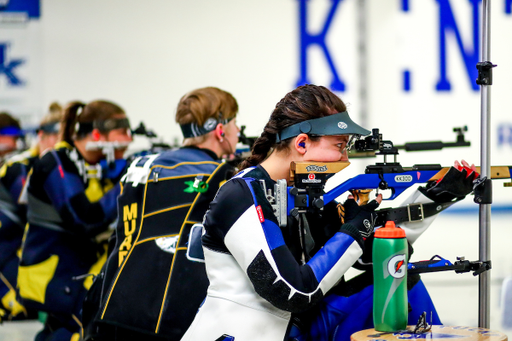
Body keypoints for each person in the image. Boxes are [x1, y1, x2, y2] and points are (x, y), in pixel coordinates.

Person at [181, 84, 384, 341]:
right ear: (302, 143)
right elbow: (293, 291)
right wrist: (353, 232)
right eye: (340, 146)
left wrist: (432, 198)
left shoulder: (303, 193)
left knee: (401, 280)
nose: (345, 159)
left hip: (291, 330)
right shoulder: (242, 194)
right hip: (242, 334)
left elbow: (369, 259)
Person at [83, 86, 240, 341]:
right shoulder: (222, 177)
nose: (239, 131)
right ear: (220, 130)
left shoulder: (139, 166)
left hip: (115, 305)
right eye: (235, 122)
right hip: (171, 318)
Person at [17, 100, 132, 341]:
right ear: (97, 134)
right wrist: (129, 181)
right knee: (82, 331)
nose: (129, 139)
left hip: (77, 269)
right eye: (122, 132)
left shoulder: (97, 164)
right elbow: (85, 219)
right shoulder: (56, 162)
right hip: (52, 272)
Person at [0, 103, 63, 323]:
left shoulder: (66, 163)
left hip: (32, 249)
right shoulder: (19, 165)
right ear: (44, 136)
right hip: (9, 250)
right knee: (23, 310)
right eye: (60, 136)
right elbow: (35, 210)